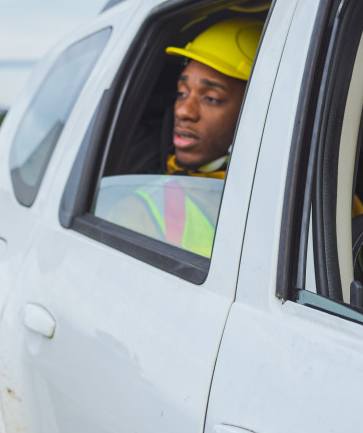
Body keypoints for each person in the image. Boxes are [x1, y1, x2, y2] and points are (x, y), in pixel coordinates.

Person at [96, 16, 262, 256]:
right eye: (182, 93)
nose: (183, 111)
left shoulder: (284, 191)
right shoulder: (135, 212)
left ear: (253, 111)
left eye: (210, 98)